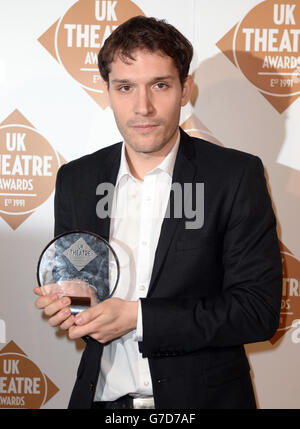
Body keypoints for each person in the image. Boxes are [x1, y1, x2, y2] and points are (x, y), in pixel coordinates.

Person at [34, 16, 282, 409]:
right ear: (109, 92)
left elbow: (258, 312)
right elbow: (81, 287)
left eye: (160, 85)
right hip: (102, 402)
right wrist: (72, 307)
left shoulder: (234, 176)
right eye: (126, 87)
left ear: (186, 90)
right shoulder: (76, 180)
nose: (142, 106)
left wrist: (139, 318)